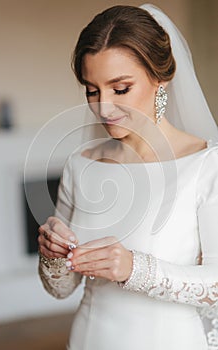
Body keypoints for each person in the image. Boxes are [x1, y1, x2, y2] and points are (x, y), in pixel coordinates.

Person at [37, 4, 218, 350]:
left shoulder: (207, 165)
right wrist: (52, 255)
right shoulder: (82, 164)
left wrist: (134, 268)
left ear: (160, 78)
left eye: (120, 89)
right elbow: (59, 289)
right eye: (92, 90)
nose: (103, 108)